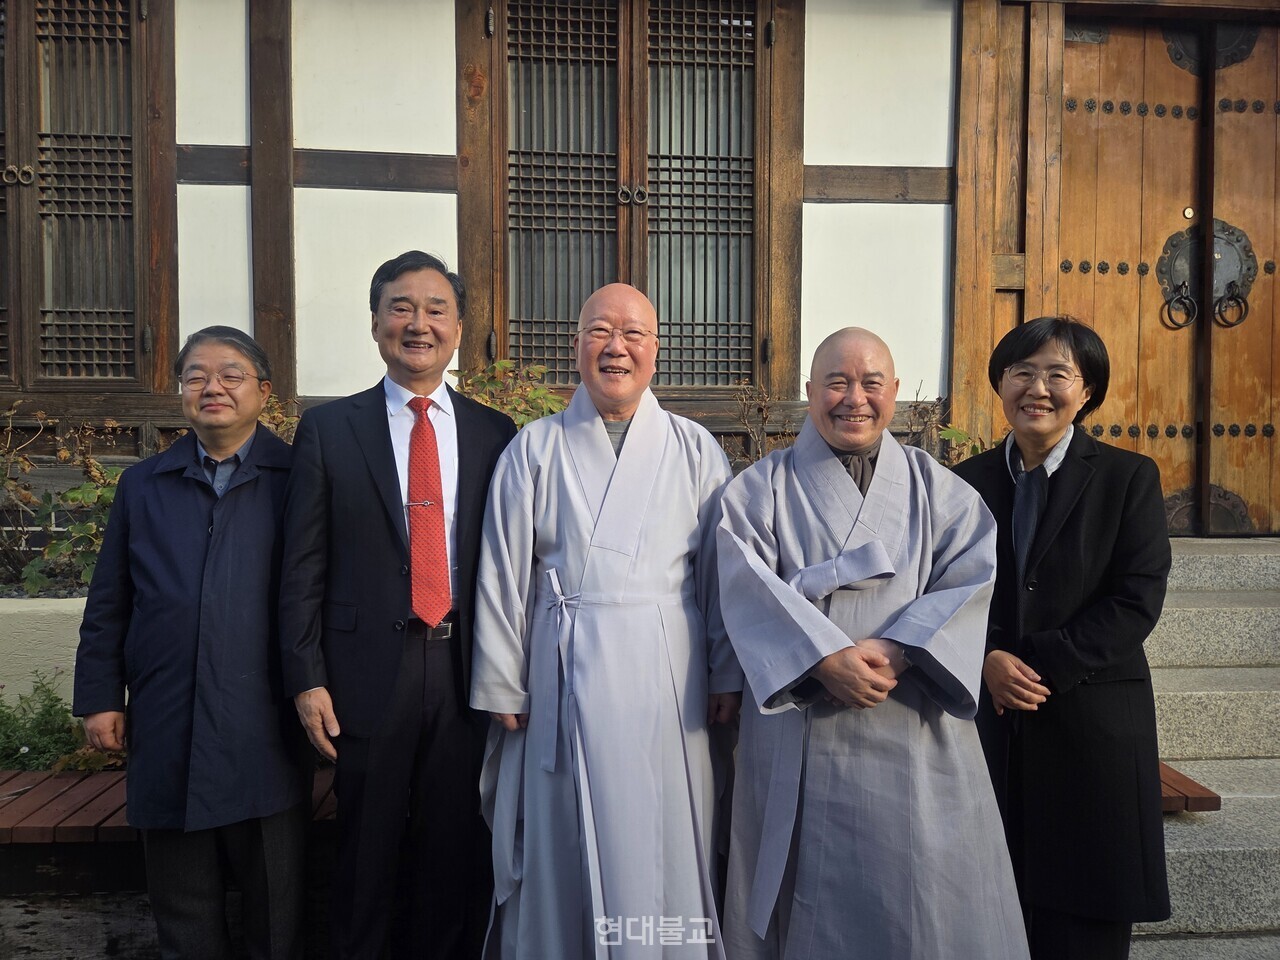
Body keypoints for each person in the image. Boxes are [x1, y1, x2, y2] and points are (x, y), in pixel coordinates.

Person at [716, 327, 1030, 960]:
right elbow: (742, 583)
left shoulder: (937, 487)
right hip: (801, 718)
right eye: (836, 382)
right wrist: (823, 659)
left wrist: (901, 647)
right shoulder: (759, 489)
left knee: (916, 897)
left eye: (870, 384)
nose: (853, 399)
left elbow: (972, 578)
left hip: (909, 714)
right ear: (808, 392)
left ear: (895, 394)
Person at [472, 283, 742, 959]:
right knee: (560, 835)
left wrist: (724, 670)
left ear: (657, 352)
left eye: (633, 335)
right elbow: (504, 571)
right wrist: (503, 680)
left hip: (668, 676)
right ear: (576, 347)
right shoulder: (532, 449)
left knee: (662, 832)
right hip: (561, 671)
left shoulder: (695, 450)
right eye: (599, 331)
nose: (615, 347)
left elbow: (719, 577)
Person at [279, 251, 516, 960]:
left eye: (436, 308)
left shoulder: (493, 432)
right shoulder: (330, 430)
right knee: (364, 850)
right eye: (402, 308)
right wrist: (306, 675)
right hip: (363, 673)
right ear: (377, 323)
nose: (419, 323)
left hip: (463, 667)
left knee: (455, 844)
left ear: (459, 327)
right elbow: (302, 566)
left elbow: (509, 567)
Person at [74, 326, 308, 960]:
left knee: (277, 907)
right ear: (181, 393)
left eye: (230, 375)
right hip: (166, 714)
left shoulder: (298, 479)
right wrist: (99, 697)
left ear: (263, 391)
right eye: (196, 376)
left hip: (266, 720)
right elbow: (109, 602)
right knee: (182, 908)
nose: (212, 387)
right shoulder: (144, 485)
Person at [953, 316, 1170, 960]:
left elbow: (1135, 599)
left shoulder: (1128, 477)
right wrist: (985, 656)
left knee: (1085, 918)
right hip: (996, 723)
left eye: (1058, 374)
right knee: (997, 903)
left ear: (1087, 391)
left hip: (1091, 719)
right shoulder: (969, 483)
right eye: (1022, 372)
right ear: (1000, 383)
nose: (1037, 389)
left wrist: (1033, 663)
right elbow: (952, 589)